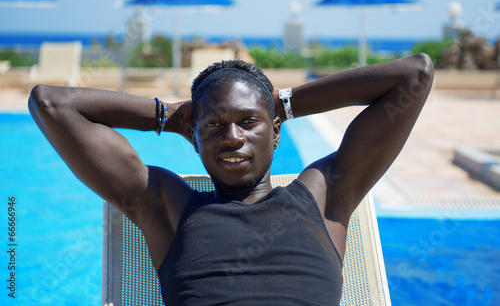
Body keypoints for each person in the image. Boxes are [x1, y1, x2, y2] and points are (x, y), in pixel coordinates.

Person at [28, 53, 433, 305]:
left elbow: (414, 75)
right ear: (194, 137)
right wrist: (169, 116)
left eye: (249, 121)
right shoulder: (168, 208)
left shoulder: (324, 196)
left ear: (275, 133)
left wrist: (284, 104)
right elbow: (50, 103)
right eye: (214, 125)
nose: (233, 137)